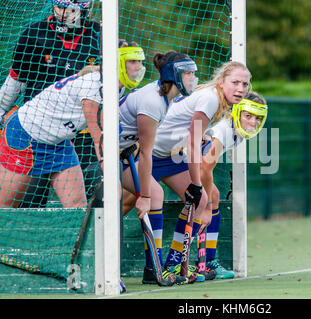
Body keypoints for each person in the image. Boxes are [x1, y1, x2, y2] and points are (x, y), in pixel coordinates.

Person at [0, 43, 145, 209]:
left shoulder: (116, 87)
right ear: (118, 62)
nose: (139, 67)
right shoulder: (94, 89)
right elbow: (100, 141)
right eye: (133, 61)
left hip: (58, 143)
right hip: (26, 136)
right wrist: (113, 182)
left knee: (77, 206)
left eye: (140, 61)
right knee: (5, 207)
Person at [150, 60, 252, 282]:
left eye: (245, 84)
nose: (240, 89)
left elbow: (192, 132)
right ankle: (160, 266)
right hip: (148, 151)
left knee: (205, 197)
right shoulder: (211, 98)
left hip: (168, 156)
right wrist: (198, 191)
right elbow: (197, 150)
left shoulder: (220, 102)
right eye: (235, 82)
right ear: (221, 81)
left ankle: (171, 266)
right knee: (200, 199)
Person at [0, 0, 101, 208]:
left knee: (83, 202)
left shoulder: (98, 36)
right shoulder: (35, 34)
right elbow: (16, 80)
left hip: (75, 135)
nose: (63, 14)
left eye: (71, 9)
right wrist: (1, 110)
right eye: (60, 7)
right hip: (34, 129)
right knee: (28, 204)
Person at [118, 49, 198, 285]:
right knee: (150, 196)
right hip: (104, 155)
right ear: (174, 76)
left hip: (122, 154)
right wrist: (143, 195)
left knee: (155, 194)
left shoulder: (165, 98)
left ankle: (153, 268)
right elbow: (146, 153)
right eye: (189, 74)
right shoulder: (153, 102)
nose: (193, 78)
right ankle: (152, 268)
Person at [199, 92, 268, 279]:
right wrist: (204, 206)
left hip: (185, 161)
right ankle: (179, 263)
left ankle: (207, 263)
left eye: (258, 119)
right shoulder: (223, 130)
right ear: (236, 112)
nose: (253, 123)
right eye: (248, 116)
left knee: (213, 194)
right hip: (169, 157)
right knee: (209, 196)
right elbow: (205, 166)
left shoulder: (235, 129)